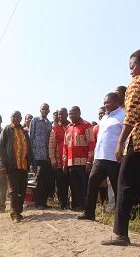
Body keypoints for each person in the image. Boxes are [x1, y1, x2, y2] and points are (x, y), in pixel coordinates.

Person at [102, 50, 140, 246]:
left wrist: (120, 142)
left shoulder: (136, 83)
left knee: (124, 185)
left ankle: (120, 234)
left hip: (137, 143)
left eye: (132, 66)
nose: (131, 71)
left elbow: (132, 115)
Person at [78, 93, 125, 221]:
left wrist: (122, 153)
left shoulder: (122, 116)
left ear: (116, 102)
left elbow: (126, 137)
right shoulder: (104, 118)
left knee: (117, 187)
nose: (105, 105)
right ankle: (89, 213)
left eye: (107, 103)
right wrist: (94, 157)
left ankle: (123, 216)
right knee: (92, 183)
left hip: (114, 158)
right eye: (104, 103)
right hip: (100, 158)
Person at [0, 111, 33, 222]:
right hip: (11, 165)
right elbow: (1, 148)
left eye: (18, 116)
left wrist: (31, 163)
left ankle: (18, 211)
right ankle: (14, 214)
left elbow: (29, 147)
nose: (15, 118)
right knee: (13, 190)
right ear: (10, 118)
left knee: (22, 190)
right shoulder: (7, 129)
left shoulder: (24, 131)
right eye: (13, 116)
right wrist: (3, 165)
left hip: (23, 165)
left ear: (21, 118)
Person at [63, 106, 95, 210]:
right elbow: (65, 146)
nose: (71, 116)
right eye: (70, 114)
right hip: (71, 163)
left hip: (83, 163)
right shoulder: (67, 128)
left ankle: (86, 207)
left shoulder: (87, 125)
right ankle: (77, 206)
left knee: (84, 186)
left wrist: (89, 161)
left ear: (79, 113)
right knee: (74, 186)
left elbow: (91, 144)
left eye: (73, 113)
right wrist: (64, 163)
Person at [29, 103, 53, 209]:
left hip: (46, 157)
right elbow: (30, 138)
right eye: (43, 109)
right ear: (40, 110)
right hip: (35, 157)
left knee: (44, 181)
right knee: (34, 180)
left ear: (48, 111)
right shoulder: (34, 121)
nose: (44, 111)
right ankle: (36, 203)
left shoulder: (49, 123)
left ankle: (43, 202)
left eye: (46, 109)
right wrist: (30, 156)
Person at [49, 108, 70, 209]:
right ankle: (63, 204)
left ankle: (75, 204)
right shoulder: (55, 129)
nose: (60, 116)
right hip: (59, 161)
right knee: (61, 184)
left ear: (67, 114)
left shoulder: (71, 126)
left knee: (72, 183)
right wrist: (53, 160)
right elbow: (52, 146)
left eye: (62, 114)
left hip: (71, 161)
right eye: (59, 115)